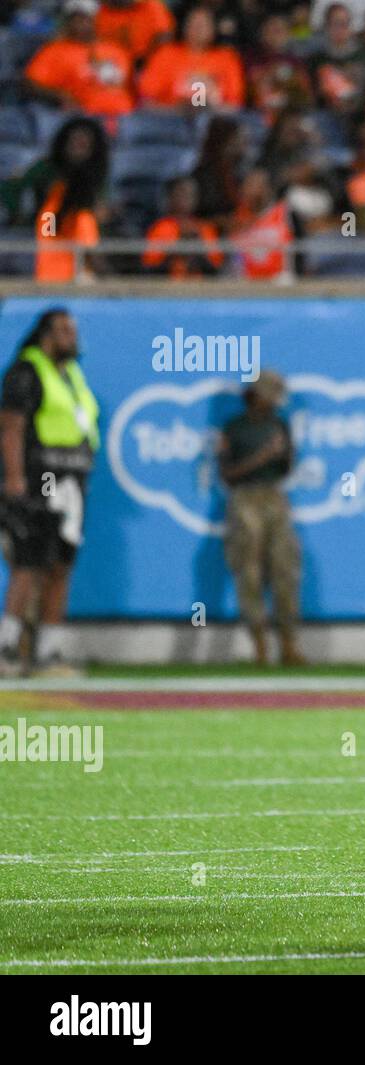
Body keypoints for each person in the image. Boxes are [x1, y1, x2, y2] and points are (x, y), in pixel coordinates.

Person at [0, 308, 99, 677]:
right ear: (45, 334)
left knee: (61, 564)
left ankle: (48, 651)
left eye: (73, 329)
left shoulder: (71, 374)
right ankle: (7, 647)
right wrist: (14, 477)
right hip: (40, 477)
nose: (72, 337)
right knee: (29, 562)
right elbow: (11, 426)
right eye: (63, 330)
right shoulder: (27, 371)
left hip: (72, 481)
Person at [217, 372, 305, 668]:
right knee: (249, 570)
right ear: (256, 395)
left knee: (285, 568)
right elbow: (227, 476)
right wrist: (262, 457)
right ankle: (259, 647)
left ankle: (289, 645)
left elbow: (286, 469)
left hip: (275, 498)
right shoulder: (234, 429)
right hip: (245, 499)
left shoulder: (279, 425)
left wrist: (284, 454)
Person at [24, 0, 134, 120]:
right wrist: (58, 96)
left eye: (85, 18)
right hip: (83, 118)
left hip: (125, 118)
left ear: (95, 20)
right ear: (68, 23)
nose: (80, 24)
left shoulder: (116, 50)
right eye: (75, 19)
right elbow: (29, 84)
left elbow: (131, 86)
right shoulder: (54, 51)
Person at [33, 117, 108, 285]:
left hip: (76, 276)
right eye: (74, 142)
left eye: (84, 145)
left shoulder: (87, 209)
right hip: (53, 275)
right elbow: (47, 229)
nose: (78, 149)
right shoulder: (50, 183)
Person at [138, 7, 246, 109]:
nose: (198, 29)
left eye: (203, 25)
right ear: (184, 27)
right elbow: (147, 99)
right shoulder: (166, 54)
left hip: (214, 120)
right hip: (171, 118)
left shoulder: (227, 58)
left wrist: (209, 108)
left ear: (213, 29)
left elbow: (235, 103)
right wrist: (176, 108)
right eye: (193, 24)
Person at [142, 177, 225, 278]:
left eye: (191, 194)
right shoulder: (160, 228)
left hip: (201, 289)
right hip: (166, 289)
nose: (186, 198)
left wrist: (197, 247)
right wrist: (175, 249)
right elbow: (150, 269)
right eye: (181, 193)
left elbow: (216, 270)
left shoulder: (205, 228)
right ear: (170, 196)